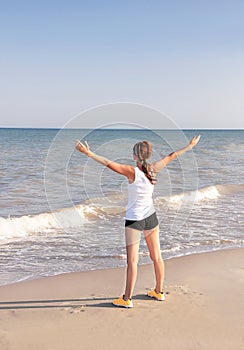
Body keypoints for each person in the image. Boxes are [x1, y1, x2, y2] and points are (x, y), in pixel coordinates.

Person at [75, 134, 201, 308]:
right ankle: (159, 292)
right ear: (148, 155)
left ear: (135, 155)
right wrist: (189, 146)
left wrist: (89, 154)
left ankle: (127, 299)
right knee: (157, 256)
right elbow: (171, 156)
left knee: (132, 261)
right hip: (150, 218)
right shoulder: (153, 169)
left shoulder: (131, 171)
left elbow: (107, 163)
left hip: (134, 220)